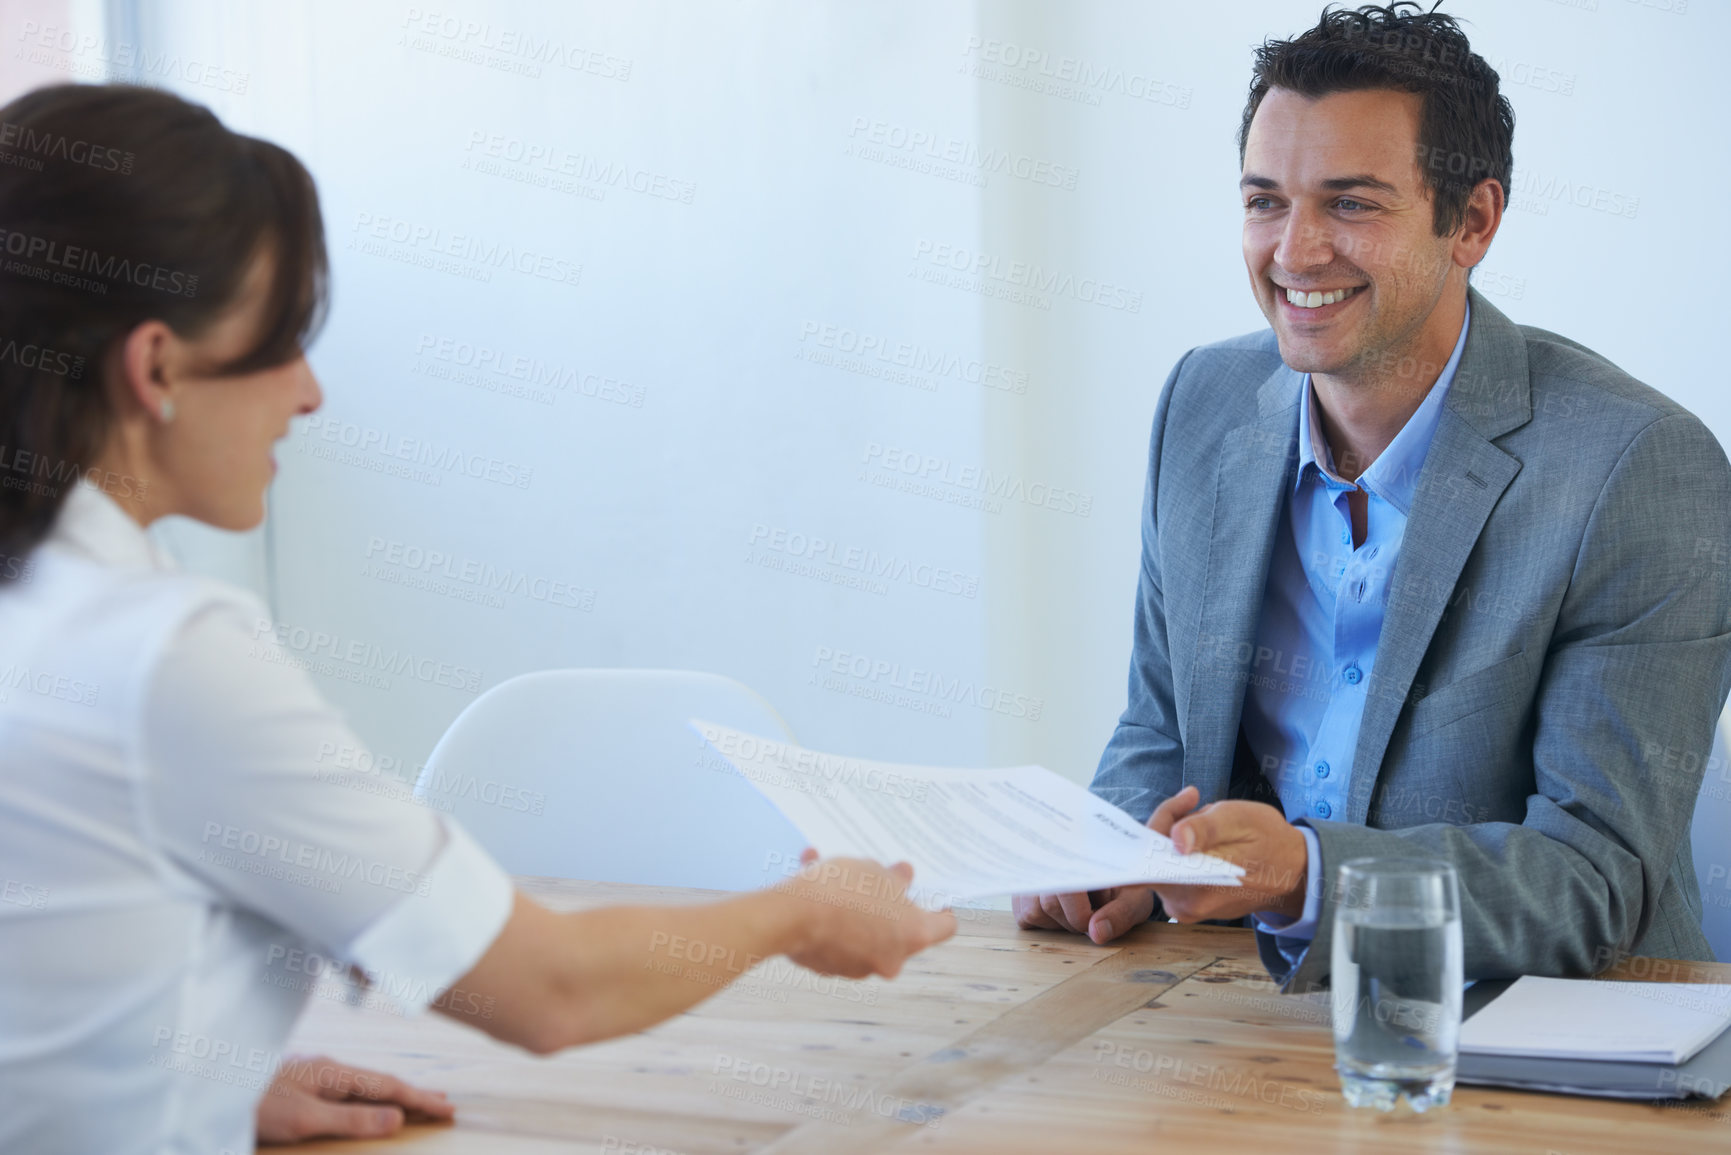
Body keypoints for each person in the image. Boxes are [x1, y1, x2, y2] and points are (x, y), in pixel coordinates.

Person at [0, 83, 955, 1155]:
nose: (310, 394)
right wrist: (805, 910)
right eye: (281, 340)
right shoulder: (161, 658)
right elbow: (549, 990)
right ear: (158, 366)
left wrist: (181, 1078)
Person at [1015, 2, 1731, 992]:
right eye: (1265, 201)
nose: (1295, 253)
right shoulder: (1203, 405)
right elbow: (1163, 728)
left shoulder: (1637, 467)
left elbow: (1594, 885)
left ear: (1472, 221)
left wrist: (1308, 875)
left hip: (1540, 1049)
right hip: (1241, 1019)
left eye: (1350, 204)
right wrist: (1113, 861)